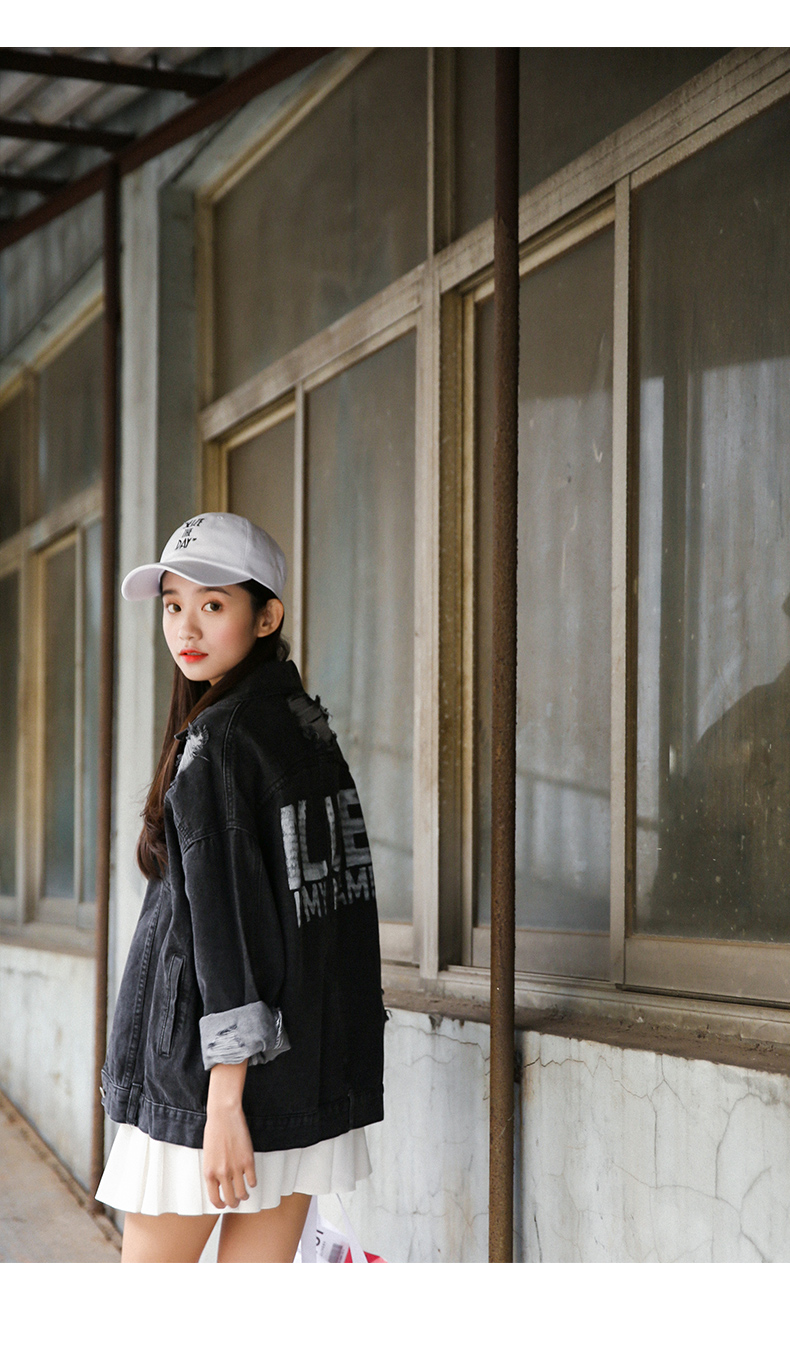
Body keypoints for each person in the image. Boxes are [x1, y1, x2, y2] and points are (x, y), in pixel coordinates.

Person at [95, 512, 385, 1263]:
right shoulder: (304, 728)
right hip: (304, 1071)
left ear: (267, 616)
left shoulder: (220, 743)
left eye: (213, 604)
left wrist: (224, 1102)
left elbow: (228, 934)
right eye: (173, 605)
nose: (186, 628)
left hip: (208, 1089)